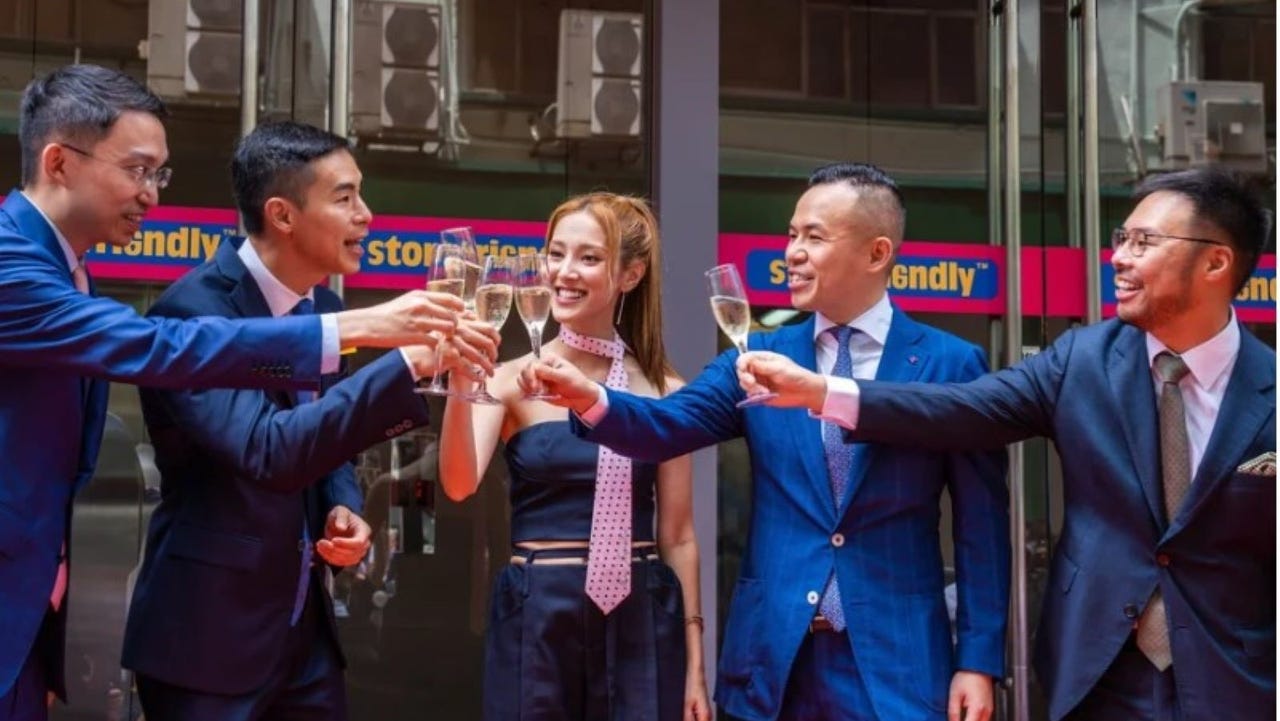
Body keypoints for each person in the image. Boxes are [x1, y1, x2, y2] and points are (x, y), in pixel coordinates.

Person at [0, 64, 461, 719]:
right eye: (137, 169)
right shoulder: (13, 267)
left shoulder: (71, 274)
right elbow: (172, 355)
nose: (152, 194)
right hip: (197, 638)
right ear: (59, 161)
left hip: (34, 620)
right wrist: (366, 330)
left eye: (159, 174)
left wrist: (342, 500)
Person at [736, 166, 1275, 721]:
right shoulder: (1081, 361)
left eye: (1145, 242)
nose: (1120, 258)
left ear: (1215, 262)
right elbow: (960, 408)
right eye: (1122, 239)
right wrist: (823, 391)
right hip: (1098, 674)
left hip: (1234, 678)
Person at [524, 165, 1010, 721]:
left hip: (897, 668)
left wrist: (978, 661)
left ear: (877, 254)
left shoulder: (951, 364)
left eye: (814, 236)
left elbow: (982, 530)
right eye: (791, 234)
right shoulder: (756, 357)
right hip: (772, 664)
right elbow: (665, 426)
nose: (793, 252)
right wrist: (590, 397)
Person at [119, 121, 498, 721]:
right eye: (344, 197)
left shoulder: (323, 306)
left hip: (307, 641)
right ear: (283, 214)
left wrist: (341, 503)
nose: (365, 215)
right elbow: (268, 449)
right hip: (208, 640)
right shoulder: (192, 313)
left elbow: (326, 438)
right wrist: (400, 366)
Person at [439, 192, 712, 721]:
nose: (564, 271)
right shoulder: (511, 380)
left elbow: (678, 535)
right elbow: (457, 482)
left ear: (630, 275)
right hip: (540, 605)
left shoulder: (665, 389)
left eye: (588, 257)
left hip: (642, 608)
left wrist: (696, 665)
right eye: (555, 253)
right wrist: (458, 381)